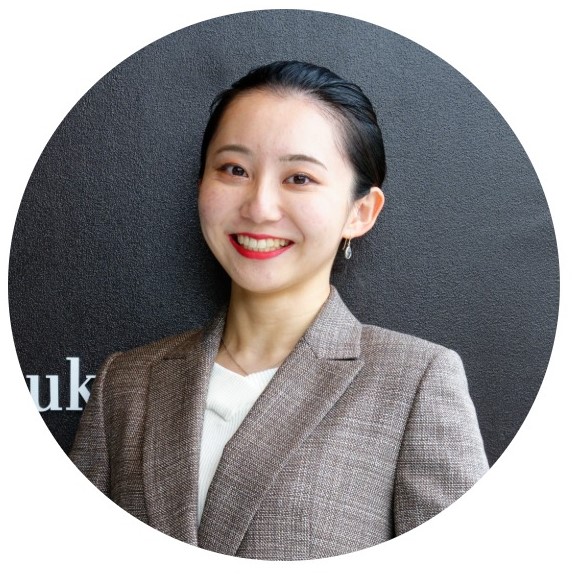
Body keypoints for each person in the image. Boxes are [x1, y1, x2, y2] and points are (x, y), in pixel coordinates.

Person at [70, 61, 489, 560]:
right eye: (235, 170)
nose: (260, 206)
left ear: (360, 212)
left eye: (299, 178)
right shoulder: (126, 382)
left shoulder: (415, 381)